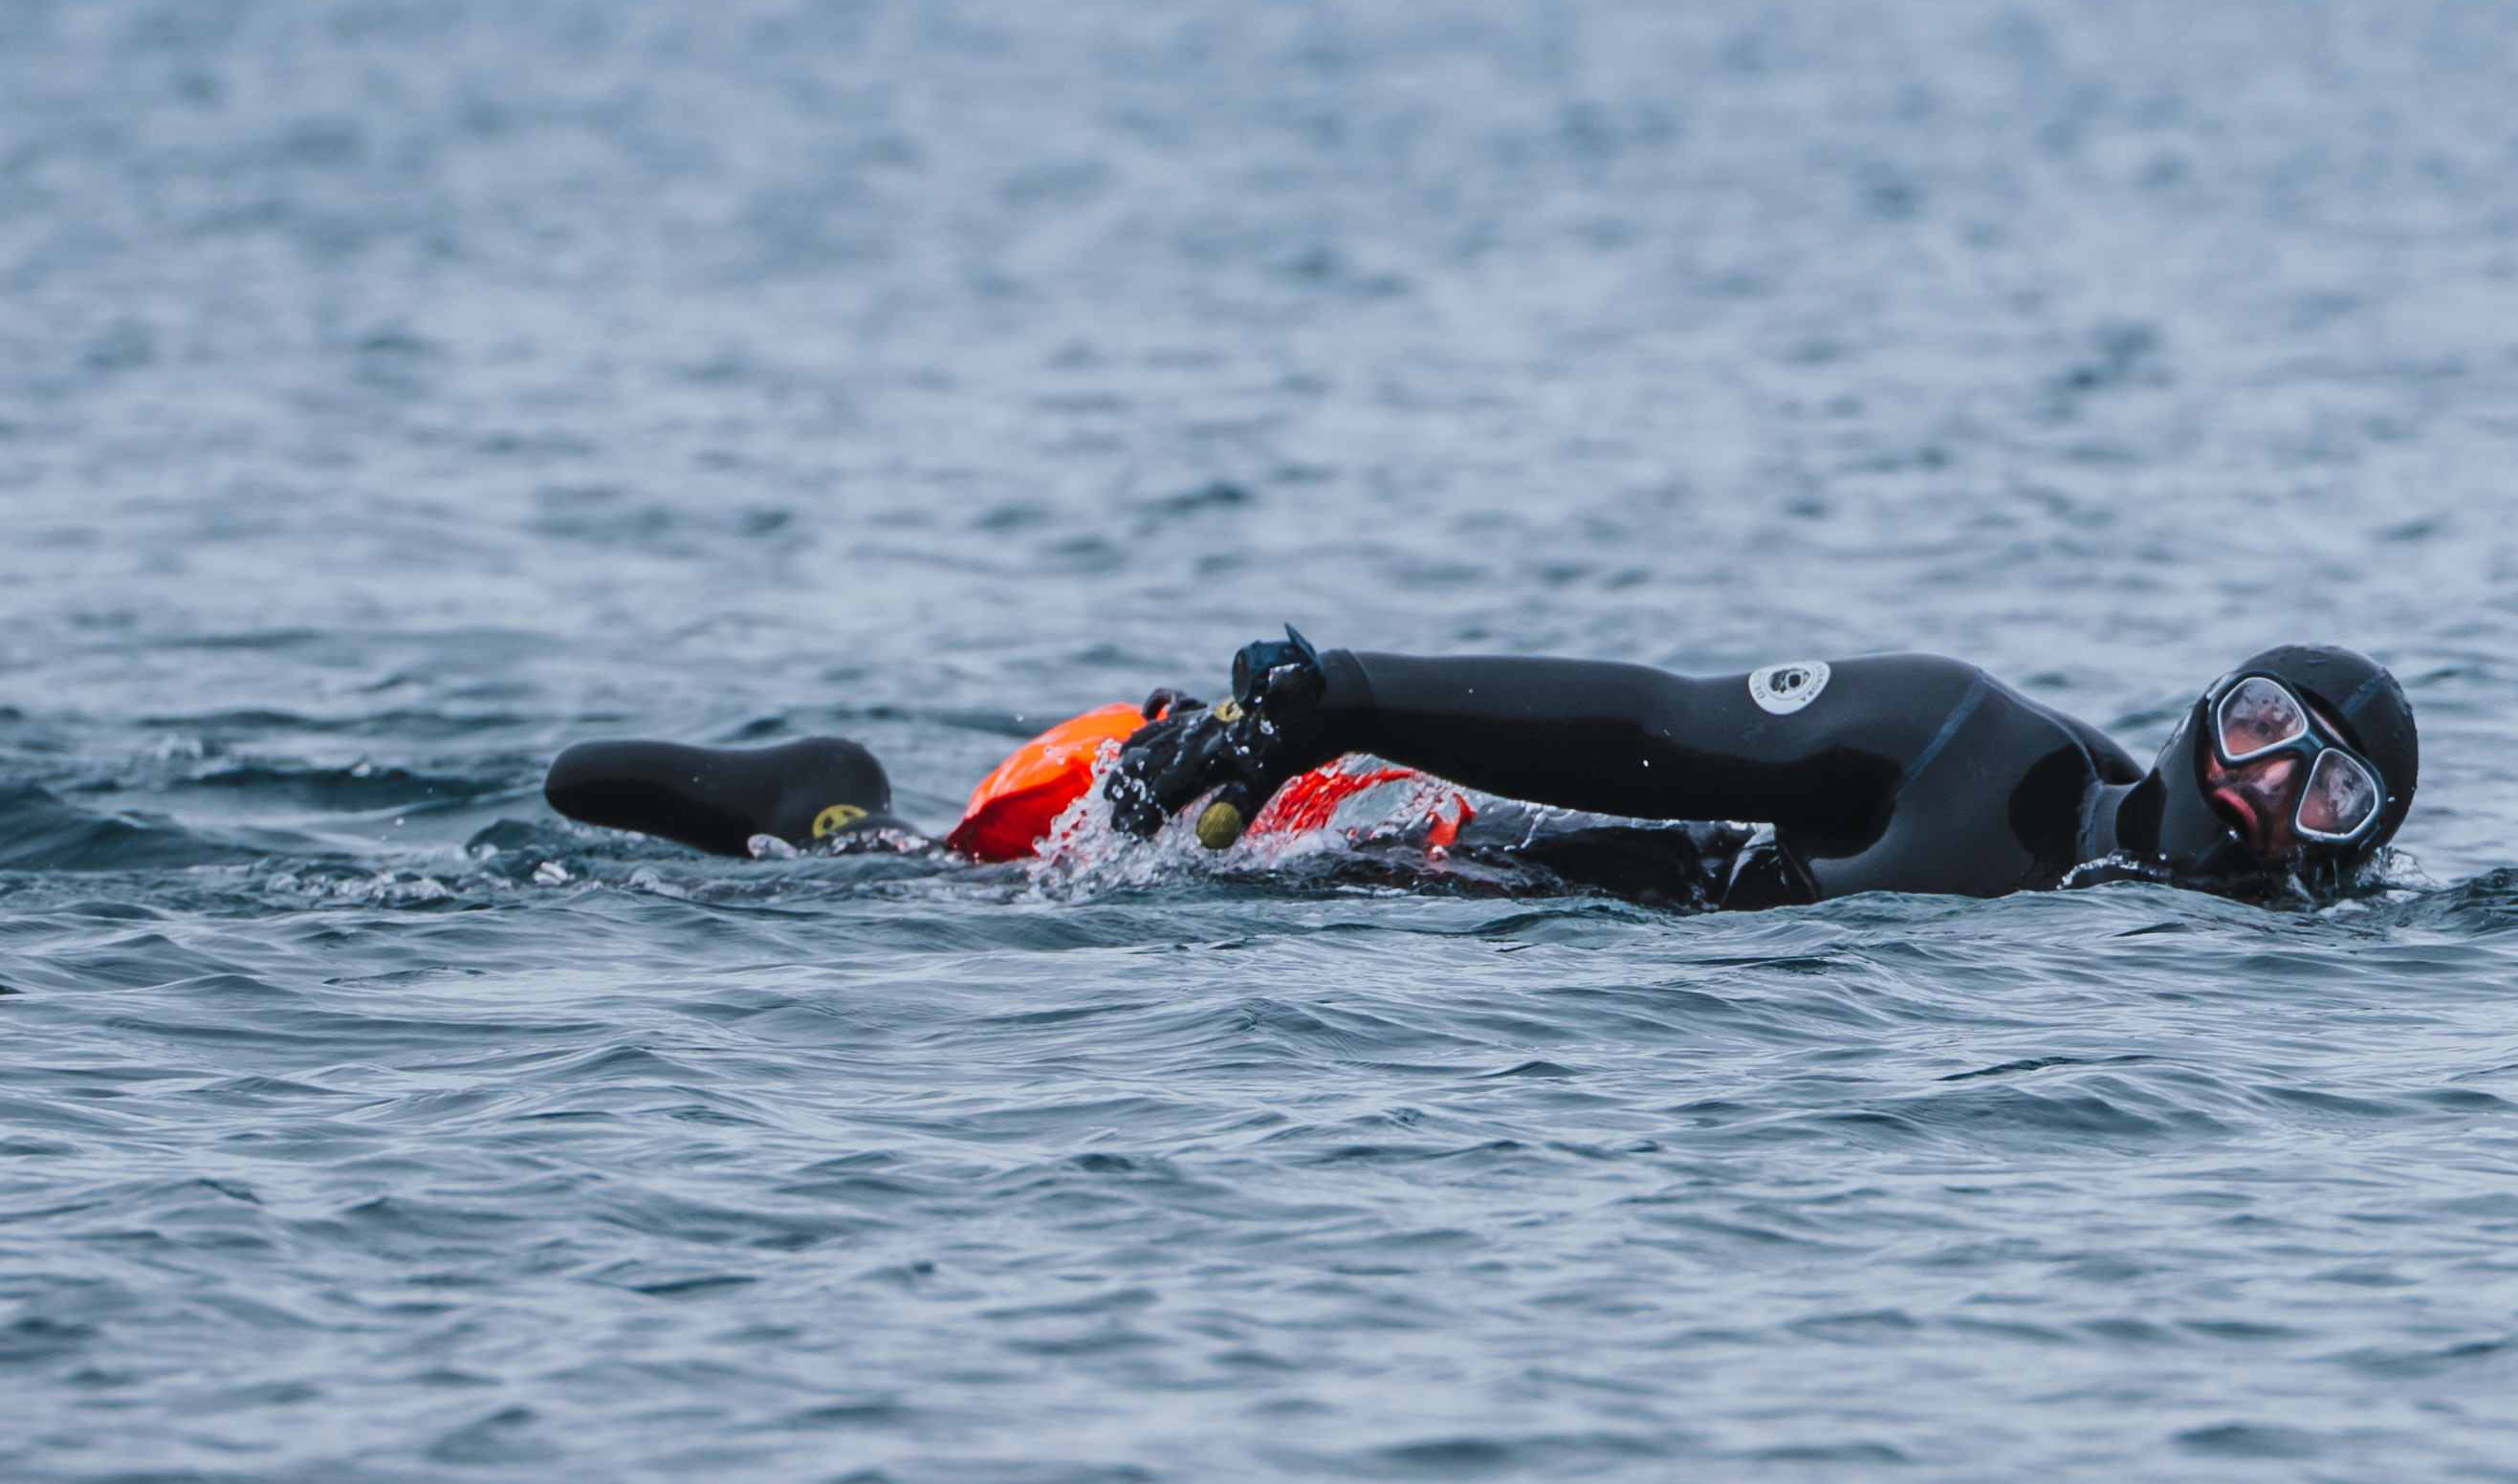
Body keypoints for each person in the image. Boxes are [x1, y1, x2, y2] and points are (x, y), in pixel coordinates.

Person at [546, 624, 2420, 907]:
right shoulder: (1959, 747)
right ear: (2202, 723)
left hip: (1450, 910)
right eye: (2263, 738)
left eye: (2325, 795)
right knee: (944, 909)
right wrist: (1342, 693)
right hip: (1396, 822)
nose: (2266, 796)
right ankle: (815, 800)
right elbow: (1647, 723)